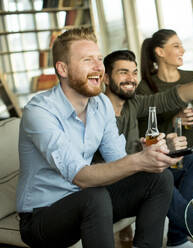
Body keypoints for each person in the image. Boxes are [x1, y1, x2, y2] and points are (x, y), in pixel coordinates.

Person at [16, 27, 182, 248]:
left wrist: (149, 157)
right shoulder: (39, 112)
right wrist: (138, 160)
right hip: (42, 217)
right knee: (94, 197)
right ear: (63, 69)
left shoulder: (101, 104)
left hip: (89, 200)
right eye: (87, 60)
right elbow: (81, 177)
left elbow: (118, 162)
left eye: (99, 59)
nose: (98, 67)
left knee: (159, 179)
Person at [101, 50, 193, 247]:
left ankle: (177, 239)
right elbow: (113, 164)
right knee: (160, 178)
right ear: (106, 77)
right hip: (115, 188)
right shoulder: (98, 112)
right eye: (123, 72)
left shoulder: (131, 103)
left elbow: (169, 98)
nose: (131, 78)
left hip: (138, 174)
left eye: (134, 72)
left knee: (191, 160)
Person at [137, 29, 193, 176]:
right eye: (176, 46)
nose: (183, 50)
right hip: (167, 161)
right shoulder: (145, 87)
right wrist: (174, 121)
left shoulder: (192, 77)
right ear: (160, 52)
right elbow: (144, 133)